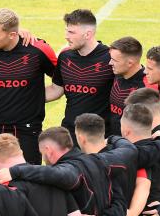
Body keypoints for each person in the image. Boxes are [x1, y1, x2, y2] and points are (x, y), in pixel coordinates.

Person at [0, 8, 57, 167]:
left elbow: (62, 81)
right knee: (0, 177)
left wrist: (35, 98)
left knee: (29, 178)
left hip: (28, 128)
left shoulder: (38, 51)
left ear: (12, 35)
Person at [45, 9, 115, 141]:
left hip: (98, 136)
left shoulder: (110, 58)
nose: (66, 36)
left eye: (71, 32)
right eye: (66, 31)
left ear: (87, 34)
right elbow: (56, 90)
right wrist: (23, 96)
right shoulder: (65, 57)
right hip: (69, 134)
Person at [107, 36, 148, 137]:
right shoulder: (117, 73)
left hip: (129, 146)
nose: (110, 63)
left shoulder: (146, 86)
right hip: (111, 140)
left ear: (130, 63)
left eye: (114, 60)